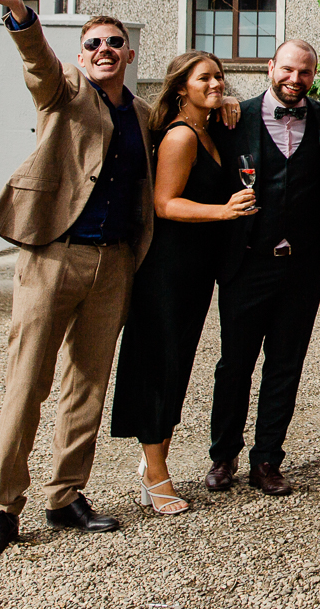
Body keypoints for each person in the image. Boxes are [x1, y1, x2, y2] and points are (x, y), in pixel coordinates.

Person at [0, 0, 152, 560]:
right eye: (94, 43)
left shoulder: (143, 115)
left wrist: (222, 103)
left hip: (115, 262)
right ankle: (3, 509)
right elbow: (39, 64)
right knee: (28, 384)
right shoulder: (66, 92)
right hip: (54, 256)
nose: (104, 51)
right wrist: (18, 10)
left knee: (87, 386)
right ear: (82, 55)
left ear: (127, 53)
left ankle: (66, 494)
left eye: (114, 43)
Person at [110, 50, 257, 515]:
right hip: (167, 270)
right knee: (159, 368)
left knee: (177, 366)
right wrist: (224, 211)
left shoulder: (206, 130)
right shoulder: (180, 137)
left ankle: (155, 459)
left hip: (195, 270)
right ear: (180, 88)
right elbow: (164, 204)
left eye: (219, 76)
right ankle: (155, 477)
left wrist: (224, 99)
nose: (215, 83)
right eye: (204, 78)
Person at [205, 39, 320, 498]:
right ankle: (223, 457)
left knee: (286, 365)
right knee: (235, 364)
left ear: (312, 76)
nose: (294, 80)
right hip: (247, 262)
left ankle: (267, 459)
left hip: (302, 266)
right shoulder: (232, 117)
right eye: (287, 70)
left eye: (303, 73)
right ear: (269, 67)